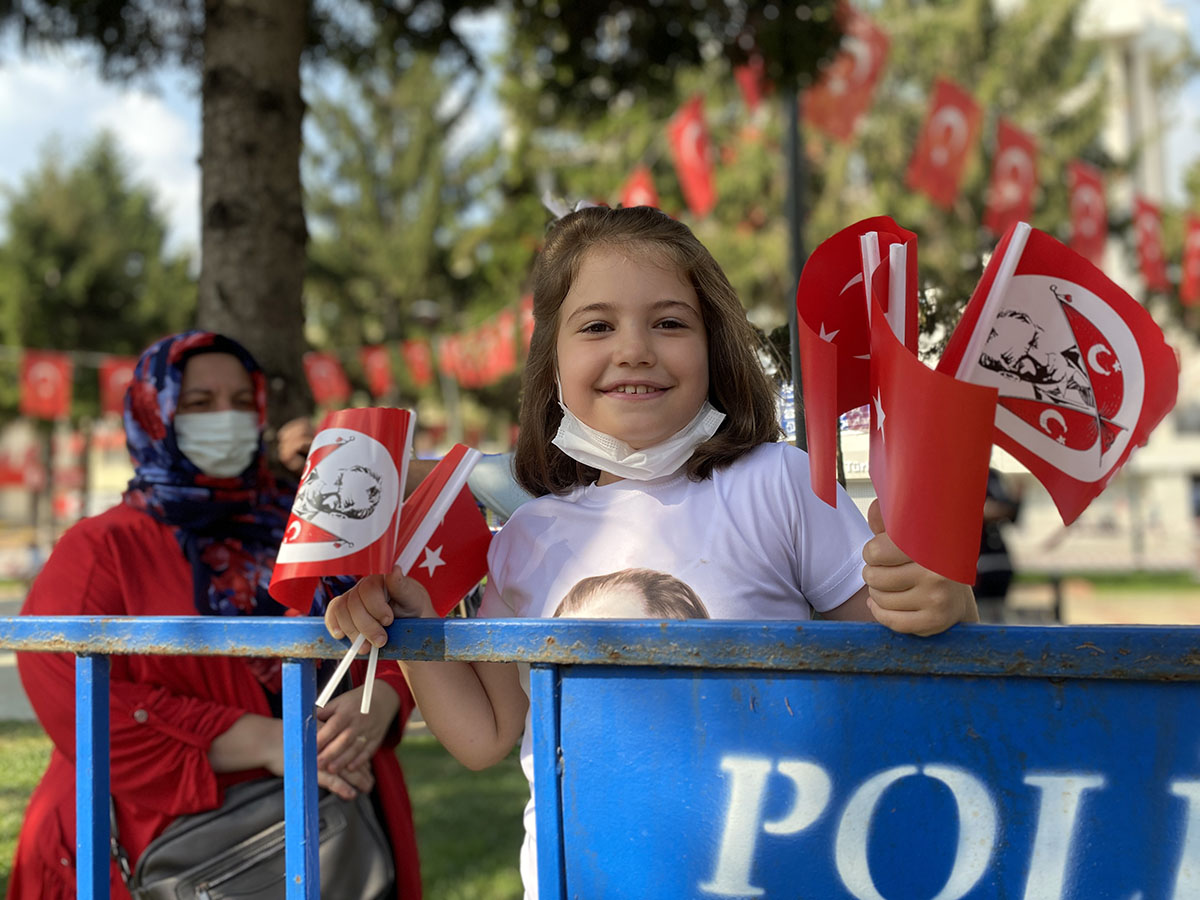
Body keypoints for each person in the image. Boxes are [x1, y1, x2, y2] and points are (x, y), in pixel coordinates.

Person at [322, 206, 979, 899]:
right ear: (551, 360)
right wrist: (411, 625)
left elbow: (903, 662)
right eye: (598, 325)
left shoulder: (781, 482)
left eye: (669, 322)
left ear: (715, 345)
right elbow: (486, 733)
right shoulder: (522, 539)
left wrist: (942, 599)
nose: (634, 349)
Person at [9, 331, 421, 900]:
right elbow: (70, 695)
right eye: (199, 403)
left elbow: (403, 619)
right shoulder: (101, 547)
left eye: (239, 401)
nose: (224, 418)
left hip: (340, 833)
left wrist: (385, 703)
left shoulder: (310, 521)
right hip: (171, 849)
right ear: (155, 412)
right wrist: (268, 742)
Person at [975, 467, 1023, 623]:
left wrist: (1015, 501)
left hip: (999, 560)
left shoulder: (993, 475)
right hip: (977, 559)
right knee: (977, 614)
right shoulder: (961, 470)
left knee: (999, 613)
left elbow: (1011, 511)